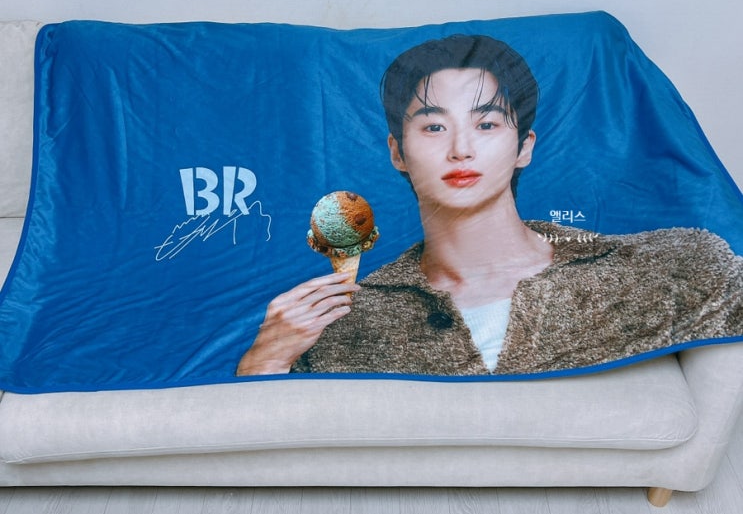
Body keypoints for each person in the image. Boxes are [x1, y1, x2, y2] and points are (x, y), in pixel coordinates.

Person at [236, 35, 743, 377]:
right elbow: (280, 437)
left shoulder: (673, 262)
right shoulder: (341, 322)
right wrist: (265, 357)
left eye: (486, 124)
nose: (461, 149)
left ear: (523, 146)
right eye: (434, 126)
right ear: (398, 152)